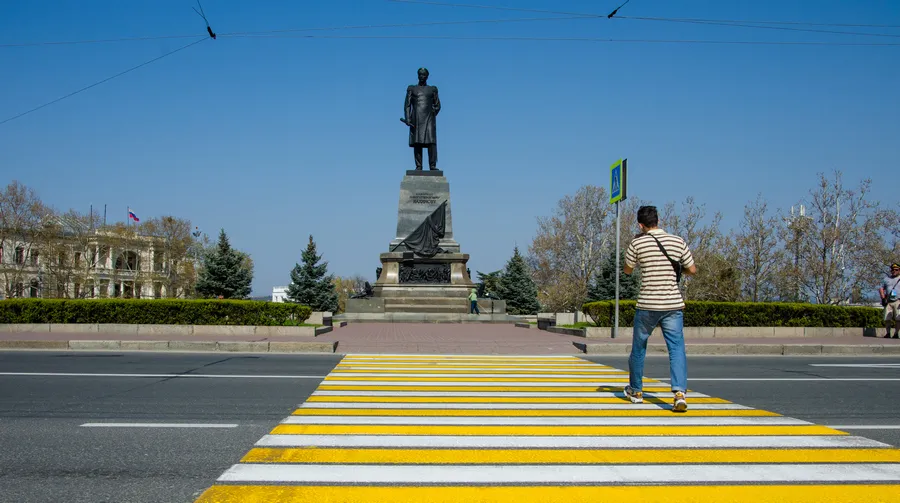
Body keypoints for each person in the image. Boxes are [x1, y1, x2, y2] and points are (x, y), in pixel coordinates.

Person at [622, 205, 698, 412]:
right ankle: (680, 393)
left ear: (640, 224)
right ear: (658, 220)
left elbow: (627, 270)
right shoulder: (677, 241)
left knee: (639, 348)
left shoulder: (637, 243)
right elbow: (692, 269)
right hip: (673, 304)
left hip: (647, 304)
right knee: (676, 349)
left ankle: (636, 391)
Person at [403, 68, 441, 171]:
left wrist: (434, 111)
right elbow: (407, 105)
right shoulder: (412, 89)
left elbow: (438, 105)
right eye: (420, 75)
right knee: (417, 142)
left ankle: (432, 165)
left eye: (424, 75)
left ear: (427, 76)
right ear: (418, 76)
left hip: (429, 119)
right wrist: (407, 118)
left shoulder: (432, 89)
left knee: (431, 142)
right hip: (417, 119)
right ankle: (418, 166)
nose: (422, 76)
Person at [880, 263, 900, 339]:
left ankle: (896, 334)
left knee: (898, 319)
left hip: (898, 301)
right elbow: (881, 288)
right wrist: (883, 298)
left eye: (896, 270)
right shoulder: (886, 279)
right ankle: (888, 333)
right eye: (892, 270)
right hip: (888, 301)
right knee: (887, 318)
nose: (894, 271)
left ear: (899, 270)